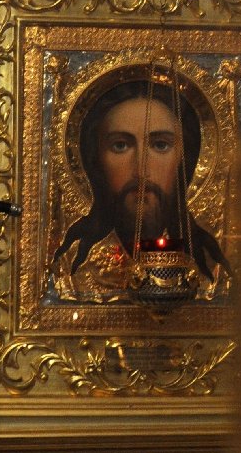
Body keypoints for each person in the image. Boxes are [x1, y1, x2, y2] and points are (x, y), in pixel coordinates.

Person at [49, 78, 231, 302]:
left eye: (160, 145)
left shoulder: (209, 265)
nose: (141, 171)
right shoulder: (73, 270)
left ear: (185, 160)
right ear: (95, 160)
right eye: (120, 145)